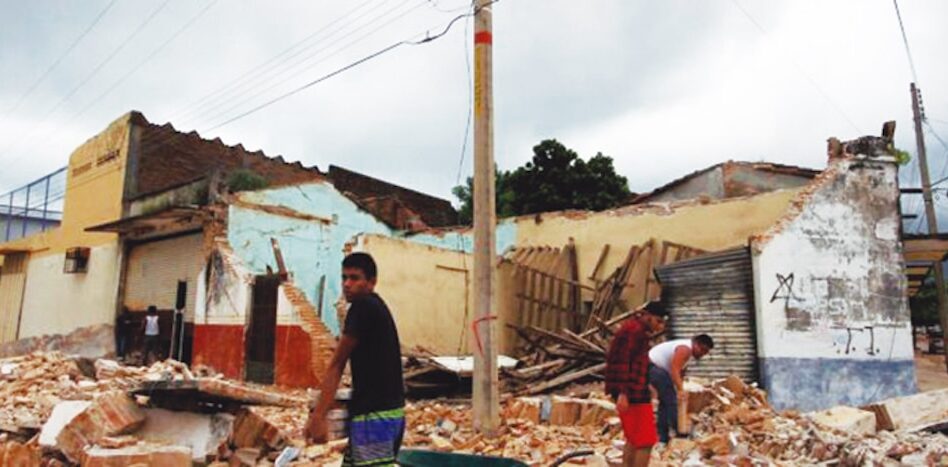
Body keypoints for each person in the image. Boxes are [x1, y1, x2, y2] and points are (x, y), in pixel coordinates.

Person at [306, 253, 405, 466]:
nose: (347, 284)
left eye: (354, 278)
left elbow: (337, 364)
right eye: (344, 278)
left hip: (374, 417)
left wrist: (319, 417)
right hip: (389, 413)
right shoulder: (375, 306)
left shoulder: (363, 307)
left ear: (371, 282)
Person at [605, 302, 668, 467]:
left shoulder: (633, 329)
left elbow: (635, 363)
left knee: (633, 439)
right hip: (632, 393)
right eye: (658, 321)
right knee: (645, 441)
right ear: (647, 315)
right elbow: (623, 362)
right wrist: (623, 393)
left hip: (634, 390)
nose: (660, 326)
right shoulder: (635, 332)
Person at [648, 334, 714, 444]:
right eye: (702, 350)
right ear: (696, 344)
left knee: (665, 402)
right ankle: (679, 432)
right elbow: (674, 369)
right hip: (654, 367)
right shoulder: (685, 349)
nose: (702, 354)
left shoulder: (687, 351)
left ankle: (663, 436)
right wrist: (680, 390)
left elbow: (680, 372)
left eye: (705, 352)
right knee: (671, 401)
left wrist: (679, 385)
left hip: (656, 368)